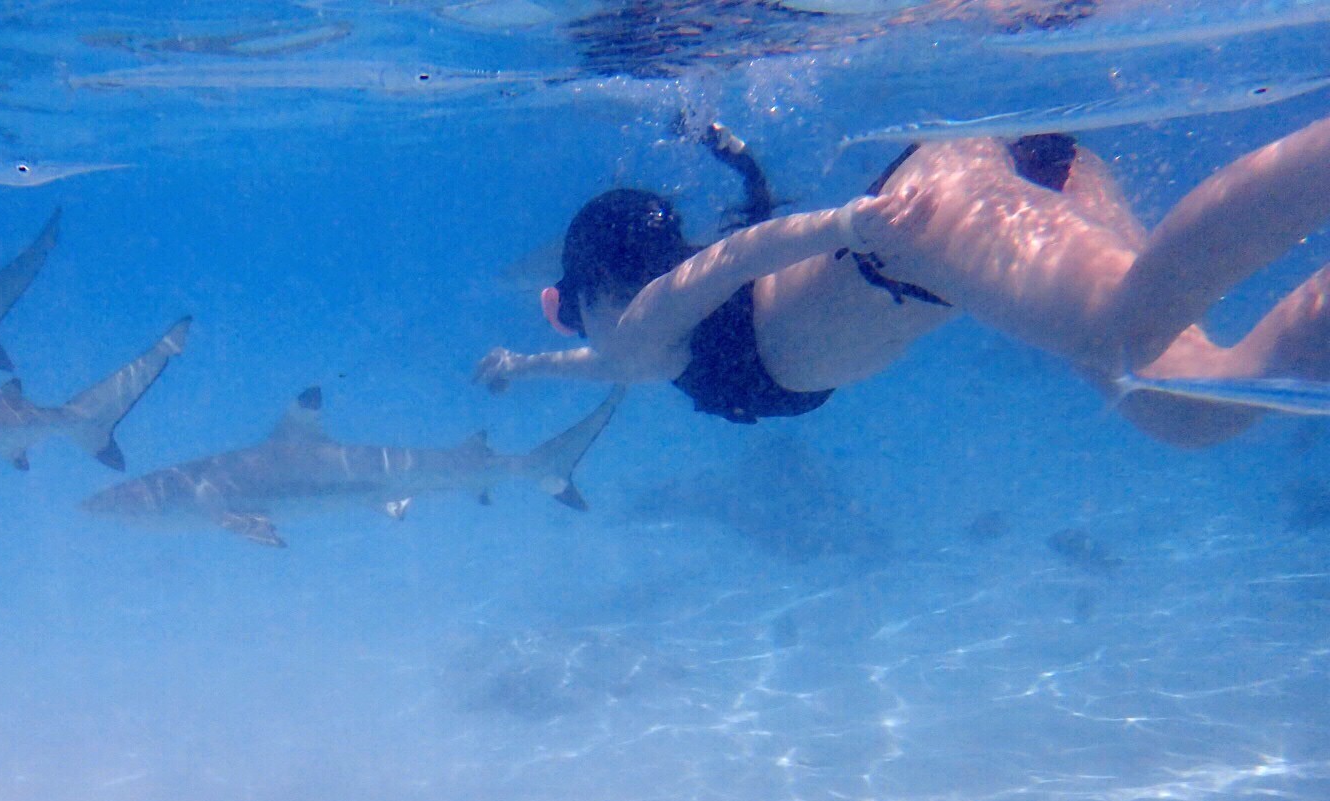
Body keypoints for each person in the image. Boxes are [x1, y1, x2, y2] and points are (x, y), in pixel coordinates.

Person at [477, 114, 1330, 446]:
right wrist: (521, 368)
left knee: (1129, 334)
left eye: (564, 316)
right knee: (1186, 402)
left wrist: (848, 225)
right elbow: (597, 362)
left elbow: (731, 259)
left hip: (925, 217)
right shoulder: (636, 348)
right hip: (959, 213)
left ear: (582, 296)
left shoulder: (641, 332)